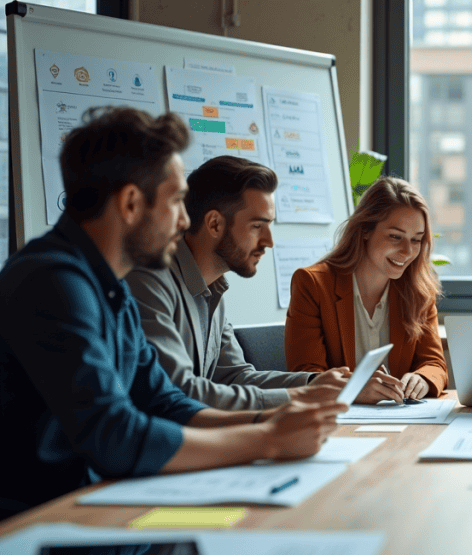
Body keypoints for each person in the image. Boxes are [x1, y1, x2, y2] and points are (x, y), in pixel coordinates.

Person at [0, 107, 346, 519]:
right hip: (33, 524)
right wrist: (268, 439)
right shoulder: (53, 281)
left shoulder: (109, 286)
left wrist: (273, 418)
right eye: (178, 200)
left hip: (91, 506)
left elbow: (166, 402)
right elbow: (114, 434)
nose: (185, 220)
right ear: (131, 203)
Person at [125, 156, 350, 410]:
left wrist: (316, 383)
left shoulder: (213, 288)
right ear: (215, 224)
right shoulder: (150, 281)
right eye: (257, 226)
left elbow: (235, 377)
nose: (268, 241)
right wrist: (297, 398)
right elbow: (179, 391)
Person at [285, 176, 447, 403]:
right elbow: (306, 376)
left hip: (400, 422)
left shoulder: (419, 292)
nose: (407, 251)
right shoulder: (312, 284)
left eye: (416, 240)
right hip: (334, 423)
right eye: (395, 237)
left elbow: (434, 364)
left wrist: (422, 379)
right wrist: (354, 391)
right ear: (365, 230)